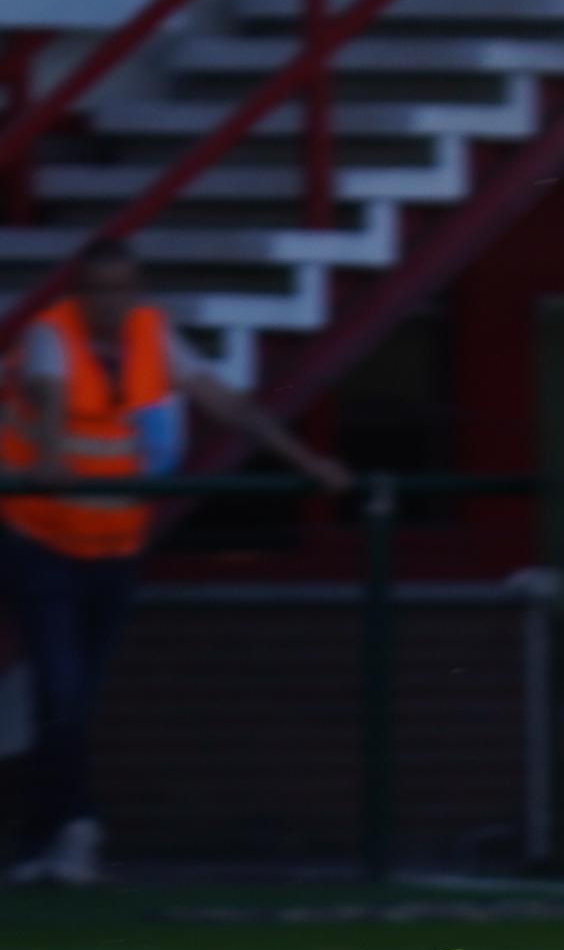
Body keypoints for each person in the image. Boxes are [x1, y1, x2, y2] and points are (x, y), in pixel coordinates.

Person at [2, 238, 350, 884]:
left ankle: (37, 841)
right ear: (79, 293)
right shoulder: (52, 336)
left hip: (114, 547)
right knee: (62, 692)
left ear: (136, 290)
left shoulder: (152, 336)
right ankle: (78, 828)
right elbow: (47, 400)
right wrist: (50, 456)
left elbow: (227, 402)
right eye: (98, 288)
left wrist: (306, 461)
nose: (110, 301)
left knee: (74, 701)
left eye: (122, 287)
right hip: (43, 540)